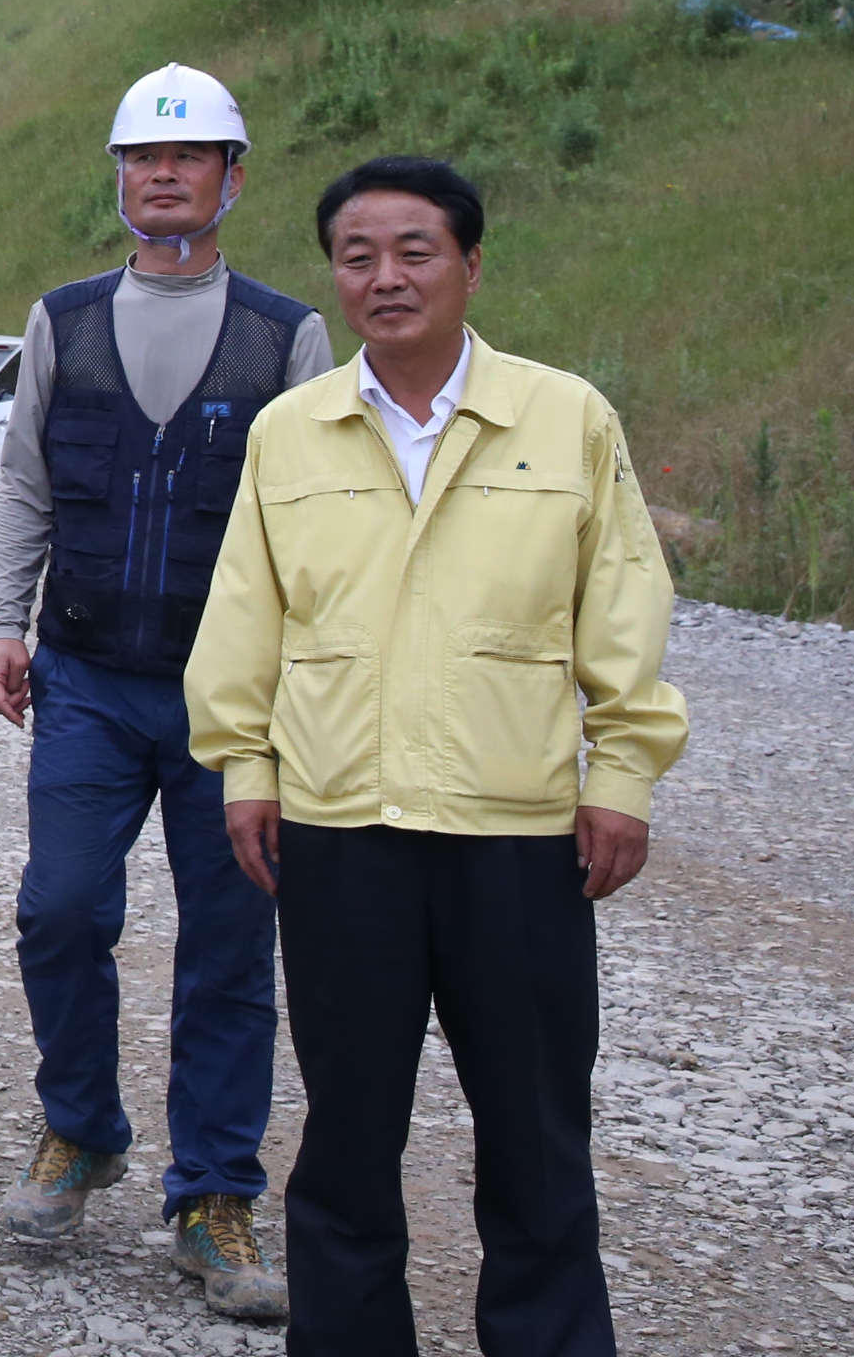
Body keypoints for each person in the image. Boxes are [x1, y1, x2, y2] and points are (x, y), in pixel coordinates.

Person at [191, 157, 688, 1357]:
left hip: (514, 836)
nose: (386, 277)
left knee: (534, 1134)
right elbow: (248, 612)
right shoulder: (291, 432)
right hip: (341, 832)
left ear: (470, 265)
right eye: (358, 256)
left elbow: (622, 603)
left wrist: (620, 776)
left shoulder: (565, 417)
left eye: (416, 251)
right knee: (350, 1138)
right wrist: (246, 769)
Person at [0, 64, 331, 1322]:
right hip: (84, 678)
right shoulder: (61, 321)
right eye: (140, 159)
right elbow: (23, 485)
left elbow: (313, 526)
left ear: (235, 177)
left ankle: (215, 1193)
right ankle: (80, 1131)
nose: (161, 177)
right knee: (60, 912)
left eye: (187, 159)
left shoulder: (285, 332)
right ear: (118, 175)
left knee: (231, 948)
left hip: (233, 703)